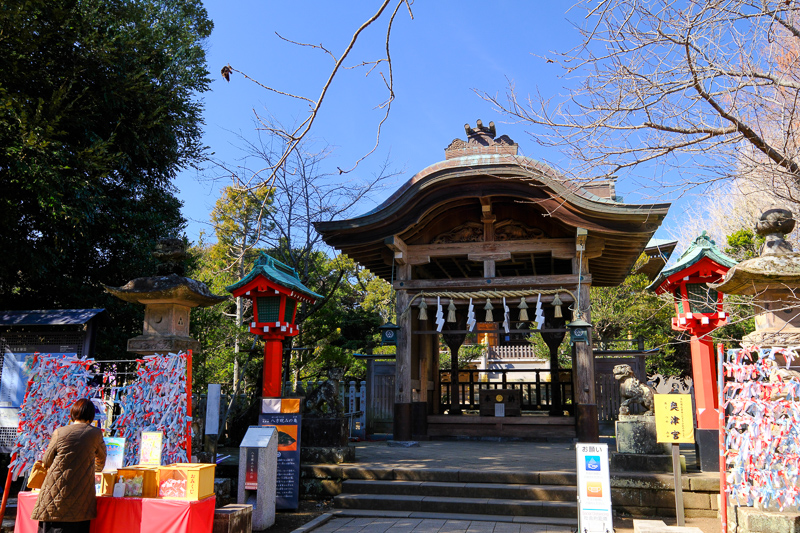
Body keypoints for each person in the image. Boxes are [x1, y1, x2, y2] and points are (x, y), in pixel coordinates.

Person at [31, 398, 107, 533]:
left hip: (54, 492)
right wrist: (91, 470)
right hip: (81, 494)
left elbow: (47, 460)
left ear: (73, 413)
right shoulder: (95, 433)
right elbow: (101, 459)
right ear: (91, 415)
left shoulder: (59, 432)